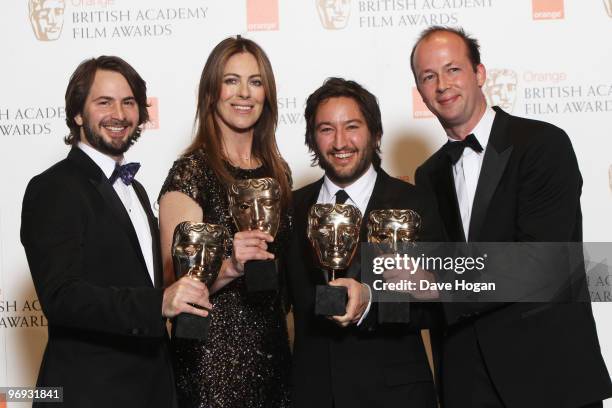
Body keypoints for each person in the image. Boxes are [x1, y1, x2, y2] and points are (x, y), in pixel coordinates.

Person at [411, 26, 612, 408]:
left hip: (549, 377)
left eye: (453, 69)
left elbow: (538, 263)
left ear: (480, 74)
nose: (442, 85)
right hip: (468, 384)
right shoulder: (428, 175)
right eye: (428, 76)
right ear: (420, 92)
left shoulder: (542, 145)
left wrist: (440, 283)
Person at [20, 56, 210, 408]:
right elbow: (62, 297)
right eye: (103, 102)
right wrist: (158, 303)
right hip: (91, 392)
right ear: (78, 113)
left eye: (128, 102)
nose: (119, 114)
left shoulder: (135, 190)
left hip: (150, 388)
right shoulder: (54, 187)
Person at [286, 77, 438, 408]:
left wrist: (371, 302)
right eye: (326, 129)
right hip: (312, 394)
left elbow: (438, 305)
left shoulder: (417, 204)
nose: (340, 142)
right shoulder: (290, 208)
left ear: (375, 133)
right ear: (312, 139)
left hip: (395, 396)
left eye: (352, 126)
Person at [158, 36, 292, 408]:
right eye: (231, 80)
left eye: (255, 81)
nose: (244, 93)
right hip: (211, 363)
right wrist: (230, 264)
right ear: (211, 92)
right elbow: (174, 285)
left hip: (273, 355)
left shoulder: (278, 175)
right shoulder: (192, 173)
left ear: (267, 94)